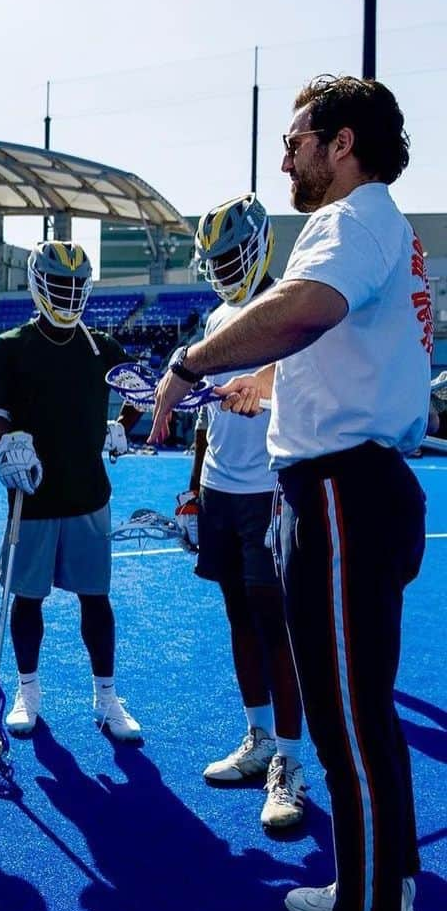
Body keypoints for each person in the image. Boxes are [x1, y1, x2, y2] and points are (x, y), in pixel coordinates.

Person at [149, 76, 428, 911]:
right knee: (362, 714)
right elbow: (342, 347)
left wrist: (190, 363)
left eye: (296, 138)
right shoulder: (383, 224)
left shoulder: (352, 219)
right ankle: (387, 900)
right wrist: (261, 386)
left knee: (349, 722)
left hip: (344, 493)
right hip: (350, 485)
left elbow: (307, 308)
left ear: (341, 143)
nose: (285, 156)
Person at [0, 240, 142, 740]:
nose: (68, 294)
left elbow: (141, 390)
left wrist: (123, 424)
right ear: (38, 284)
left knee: (97, 599)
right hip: (33, 499)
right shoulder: (11, 346)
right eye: (60, 284)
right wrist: (10, 437)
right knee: (28, 600)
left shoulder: (101, 347)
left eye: (76, 285)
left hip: (90, 495)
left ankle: (107, 699)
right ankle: (29, 694)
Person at [180, 193, 305, 831]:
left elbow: (310, 398)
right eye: (216, 257)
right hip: (223, 491)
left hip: (271, 490)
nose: (224, 265)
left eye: (231, 253)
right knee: (238, 616)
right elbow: (205, 412)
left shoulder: (293, 309)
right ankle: (259, 738)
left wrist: (266, 393)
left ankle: (290, 761)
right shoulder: (217, 319)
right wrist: (193, 487)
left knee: (272, 623)